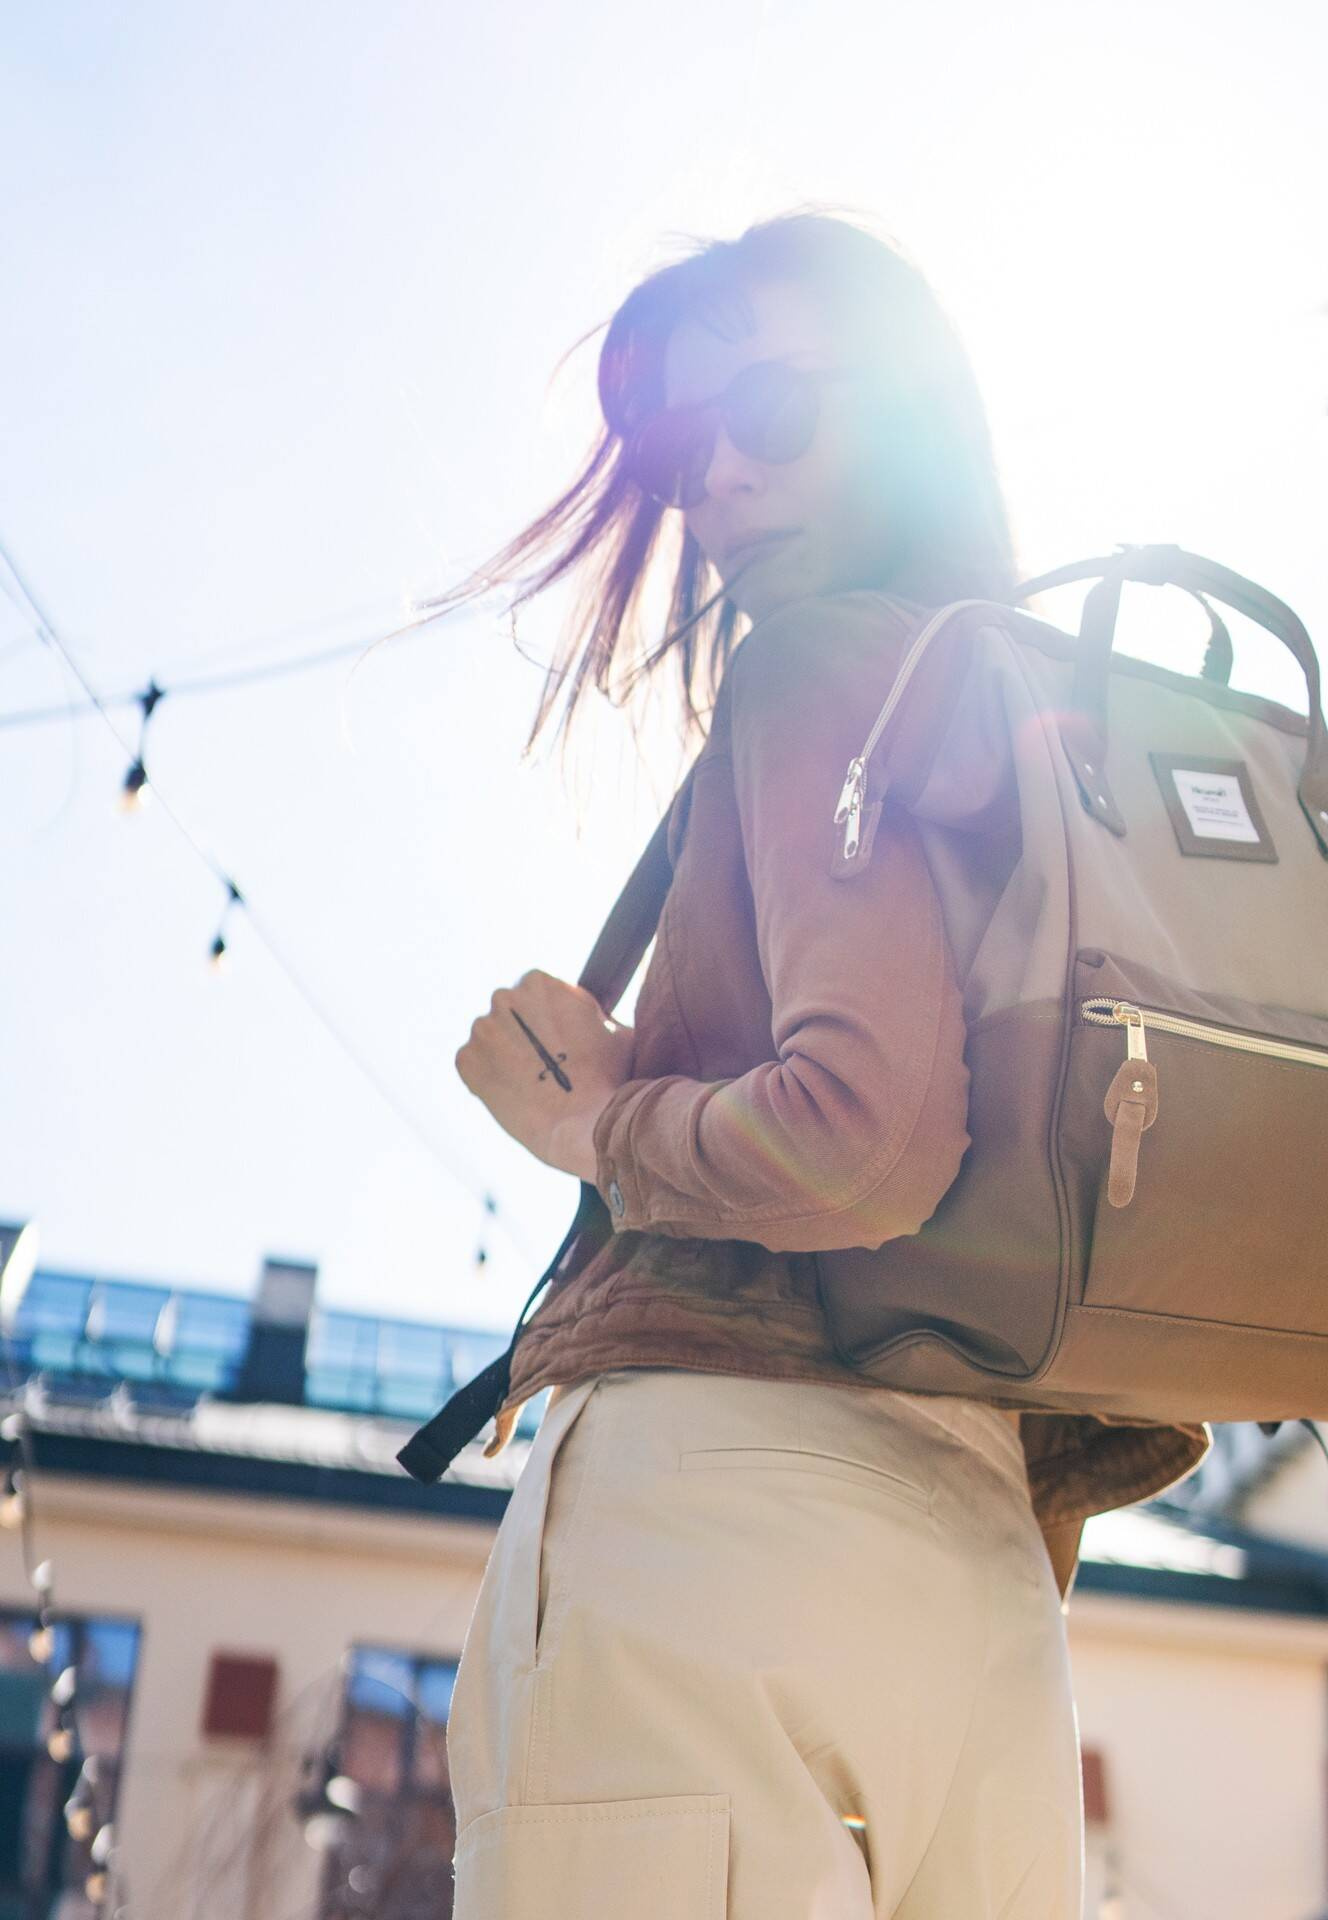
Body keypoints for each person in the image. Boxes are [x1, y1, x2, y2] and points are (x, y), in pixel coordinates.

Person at [434, 210, 1210, 1919]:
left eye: (771, 411)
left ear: (905, 409)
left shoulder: (814, 661)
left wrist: (596, 1122)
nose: (717, 475)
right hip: (982, 1574)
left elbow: (862, 1141)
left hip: (712, 1507)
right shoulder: (1049, 723)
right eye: (679, 448)